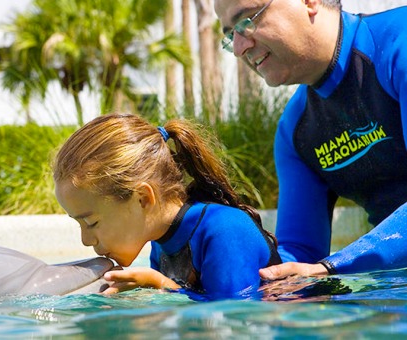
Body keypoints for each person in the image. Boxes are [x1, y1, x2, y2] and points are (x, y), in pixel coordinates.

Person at [213, 0, 407, 279]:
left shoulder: (399, 44)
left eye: (246, 21)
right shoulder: (295, 131)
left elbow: (319, 268)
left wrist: (333, 266)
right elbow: (298, 257)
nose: (239, 48)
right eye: (231, 35)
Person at [52, 113, 281, 299]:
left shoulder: (225, 230)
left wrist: (160, 284)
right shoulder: (162, 240)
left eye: (91, 222)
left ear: (142, 198)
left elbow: (237, 315)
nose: (86, 240)